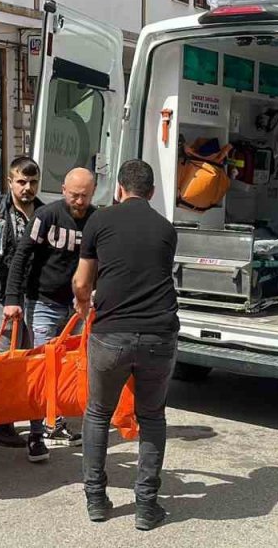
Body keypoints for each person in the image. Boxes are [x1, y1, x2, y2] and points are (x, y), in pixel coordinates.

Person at [74, 159, 179, 531]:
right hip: (158, 334)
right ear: (152, 192)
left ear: (119, 189)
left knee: (98, 414)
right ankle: (146, 506)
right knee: (151, 417)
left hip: (111, 334)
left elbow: (82, 282)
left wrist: (84, 304)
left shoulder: (99, 221)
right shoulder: (166, 229)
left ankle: (96, 500)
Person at [4, 167, 97, 452]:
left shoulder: (97, 220)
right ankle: (37, 433)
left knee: (70, 369)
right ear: (63, 191)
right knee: (43, 369)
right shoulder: (46, 216)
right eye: (74, 195)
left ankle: (55, 422)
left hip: (78, 308)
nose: (79, 201)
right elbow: (21, 255)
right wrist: (12, 298)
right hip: (43, 302)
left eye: (85, 196)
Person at [0, 156, 45, 457]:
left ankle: (21, 416)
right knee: (1, 359)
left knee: (28, 360)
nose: (27, 188)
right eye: (21, 182)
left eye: (33, 182)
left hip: (32, 296)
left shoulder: (43, 213)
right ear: (10, 182)